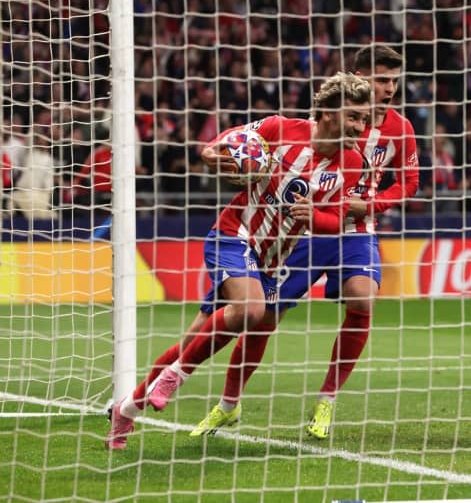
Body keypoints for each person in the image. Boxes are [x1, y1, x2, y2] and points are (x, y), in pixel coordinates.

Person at [105, 72, 372, 450]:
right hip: (234, 235)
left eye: (365, 120)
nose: (361, 128)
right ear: (329, 111)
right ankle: (176, 376)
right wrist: (214, 157)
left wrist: (316, 218)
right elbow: (217, 146)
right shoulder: (280, 128)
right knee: (251, 310)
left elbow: (337, 219)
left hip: (271, 260)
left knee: (194, 340)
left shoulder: (352, 163)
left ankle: (127, 410)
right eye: (355, 117)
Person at [191, 44, 420, 440]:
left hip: (353, 230)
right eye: (382, 79)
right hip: (301, 228)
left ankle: (327, 399)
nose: (390, 89)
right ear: (358, 79)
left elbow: (409, 182)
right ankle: (228, 404)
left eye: (394, 81)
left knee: (363, 299)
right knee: (263, 318)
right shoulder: (327, 124)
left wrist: (370, 205)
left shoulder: (400, 129)